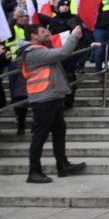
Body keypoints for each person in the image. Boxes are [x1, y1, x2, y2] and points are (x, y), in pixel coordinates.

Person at [16, 23, 87, 183]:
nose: (47, 33)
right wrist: (73, 36)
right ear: (33, 36)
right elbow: (62, 52)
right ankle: (33, 171)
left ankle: (62, 165)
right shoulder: (32, 52)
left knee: (59, 131)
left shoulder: (41, 49)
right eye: (42, 31)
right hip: (43, 98)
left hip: (52, 96)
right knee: (40, 135)